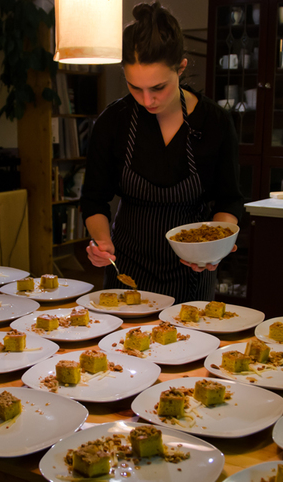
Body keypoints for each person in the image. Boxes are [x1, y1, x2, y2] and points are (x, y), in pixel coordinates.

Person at [80, 1, 244, 304]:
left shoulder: (215, 123)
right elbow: (93, 199)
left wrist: (216, 246)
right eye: (135, 87)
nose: (147, 100)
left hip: (192, 272)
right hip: (126, 269)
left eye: (158, 87)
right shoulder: (113, 122)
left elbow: (229, 198)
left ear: (180, 68)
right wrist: (102, 243)